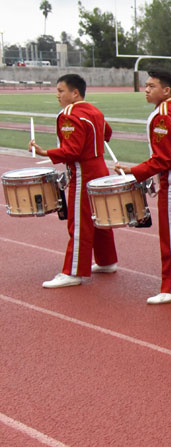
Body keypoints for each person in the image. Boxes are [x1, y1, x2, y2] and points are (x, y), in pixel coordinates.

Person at [115, 68, 171, 304]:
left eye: (151, 86)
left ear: (166, 90)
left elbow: (162, 159)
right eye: (146, 85)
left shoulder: (164, 115)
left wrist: (132, 171)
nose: (145, 90)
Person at [30, 73, 118, 288]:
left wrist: (45, 152)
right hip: (100, 168)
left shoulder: (69, 114)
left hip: (83, 172)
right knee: (99, 218)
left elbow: (72, 151)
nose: (57, 96)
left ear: (74, 93)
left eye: (61, 91)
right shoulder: (94, 110)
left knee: (78, 223)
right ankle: (106, 260)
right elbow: (107, 133)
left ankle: (73, 272)